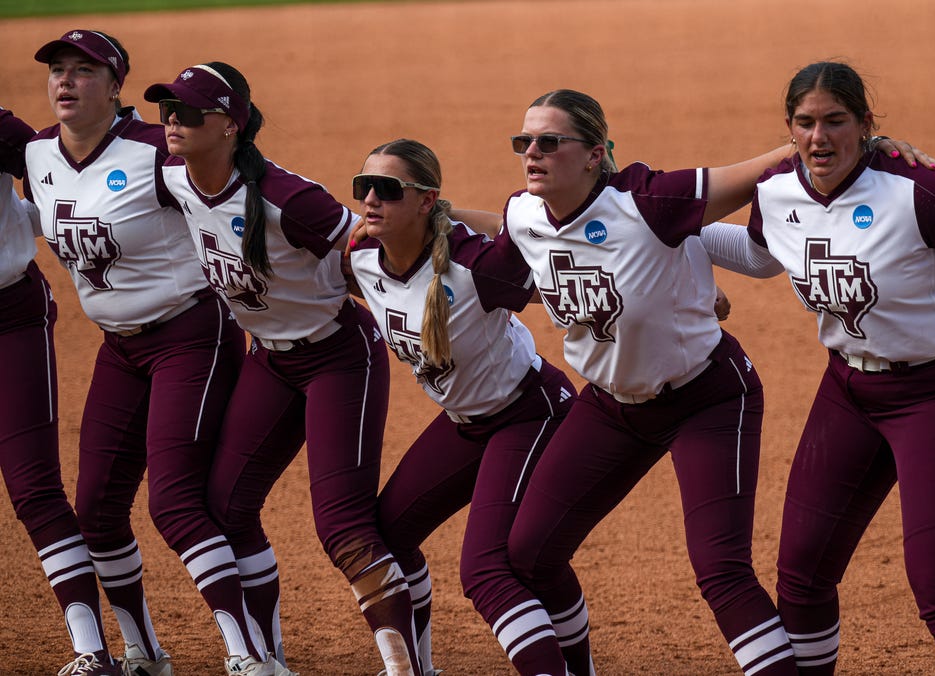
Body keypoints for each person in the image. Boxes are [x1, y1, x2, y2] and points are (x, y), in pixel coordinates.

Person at [479, 87, 820, 676]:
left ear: (594, 154)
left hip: (706, 399)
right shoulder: (524, 216)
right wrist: (437, 214)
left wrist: (832, 142)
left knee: (721, 570)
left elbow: (760, 172)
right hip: (611, 407)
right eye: (524, 142)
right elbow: (500, 273)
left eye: (549, 142)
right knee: (530, 553)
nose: (531, 152)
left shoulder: (647, 200)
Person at [699, 62, 935, 674]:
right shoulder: (776, 191)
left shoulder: (917, 189)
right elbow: (762, 258)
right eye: (805, 122)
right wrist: (674, 234)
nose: (819, 137)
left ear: (866, 124)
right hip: (850, 388)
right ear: (789, 127)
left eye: (835, 121)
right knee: (802, 572)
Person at [144, 61, 421, 676]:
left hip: (339, 357)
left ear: (230, 125)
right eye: (167, 110)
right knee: (226, 507)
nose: (171, 121)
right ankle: (266, 660)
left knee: (343, 525)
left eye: (187, 111)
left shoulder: (288, 199)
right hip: (270, 360)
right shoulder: (176, 178)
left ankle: (403, 667)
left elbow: (373, 252)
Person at [24, 30, 275, 675]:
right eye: (58, 70)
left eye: (84, 71)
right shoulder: (37, 155)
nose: (66, 81)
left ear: (116, 86)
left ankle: (249, 657)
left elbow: (246, 190)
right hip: (120, 349)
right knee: (96, 510)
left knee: (177, 501)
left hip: (190, 336)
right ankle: (144, 653)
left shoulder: (156, 151)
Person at [347, 138, 593, 676]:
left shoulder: (476, 264)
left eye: (387, 188)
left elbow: (555, 255)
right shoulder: (362, 259)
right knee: (389, 535)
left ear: (426, 200)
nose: (370, 199)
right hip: (464, 424)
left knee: (490, 568)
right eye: (363, 186)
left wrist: (679, 293)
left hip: (530, 413)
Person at [0, 104, 124, 676]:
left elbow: (55, 185)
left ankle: (91, 650)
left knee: (33, 485)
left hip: (9, 317)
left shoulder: (3, 130)